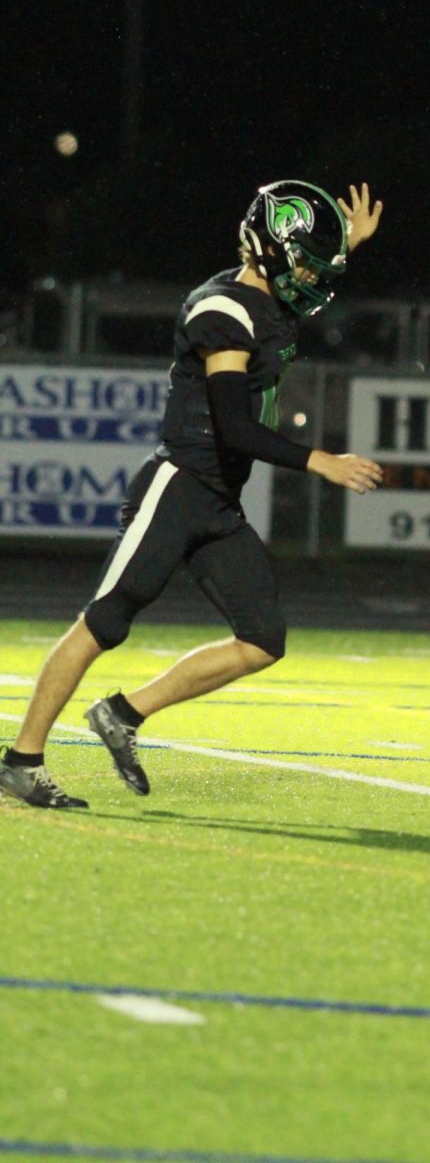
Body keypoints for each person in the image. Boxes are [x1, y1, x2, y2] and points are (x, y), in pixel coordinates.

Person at [0, 179, 384, 809]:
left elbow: (295, 284)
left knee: (262, 638)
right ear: (270, 248)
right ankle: (22, 760)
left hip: (218, 504)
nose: (314, 272)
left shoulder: (270, 297)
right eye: (307, 257)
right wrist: (320, 461)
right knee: (103, 623)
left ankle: (123, 713)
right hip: (178, 488)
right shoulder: (221, 311)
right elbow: (234, 425)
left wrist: (345, 249)